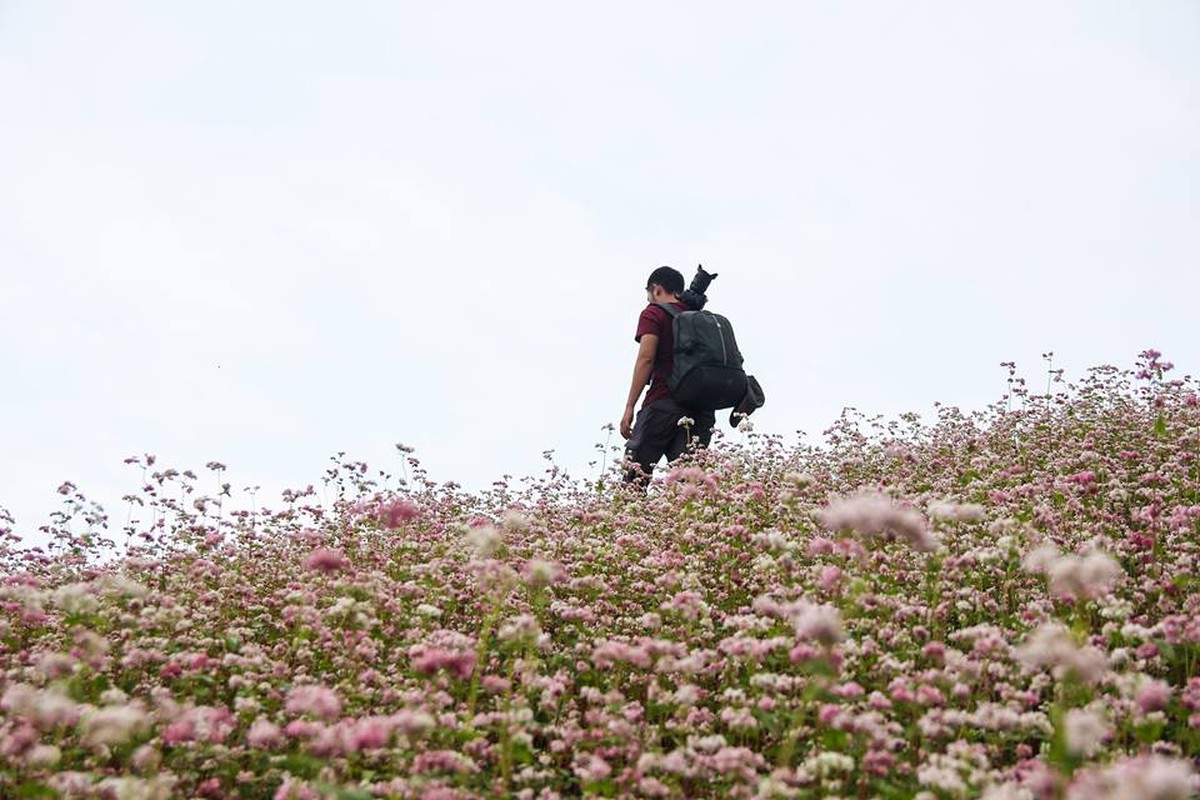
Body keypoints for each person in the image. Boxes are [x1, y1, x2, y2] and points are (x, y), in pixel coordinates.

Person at [620, 267, 717, 487]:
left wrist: (629, 407)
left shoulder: (653, 313)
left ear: (656, 289)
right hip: (700, 412)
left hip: (662, 405)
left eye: (649, 295)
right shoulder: (701, 319)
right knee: (689, 491)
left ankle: (633, 521)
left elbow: (646, 358)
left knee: (633, 481)